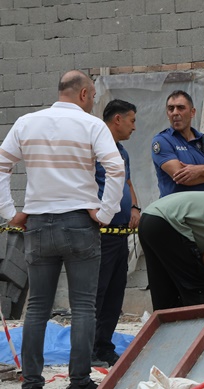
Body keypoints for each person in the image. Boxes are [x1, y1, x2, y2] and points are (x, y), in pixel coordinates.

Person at [0, 70, 125, 389]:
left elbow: (1, 163)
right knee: (83, 306)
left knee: (38, 306)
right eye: (94, 96)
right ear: (83, 94)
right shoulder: (92, 124)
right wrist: (106, 212)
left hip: (38, 225)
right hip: (80, 224)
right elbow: (116, 167)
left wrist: (10, 212)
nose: (94, 101)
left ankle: (31, 381)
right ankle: (80, 380)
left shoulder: (27, 123)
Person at [92, 99, 140, 367]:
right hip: (100, 234)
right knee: (97, 292)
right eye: (132, 120)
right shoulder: (94, 149)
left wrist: (134, 206)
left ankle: (105, 347)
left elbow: (128, 182)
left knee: (114, 293)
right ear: (118, 120)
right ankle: (89, 348)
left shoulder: (122, 152)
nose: (135, 127)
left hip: (121, 233)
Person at [151, 90, 204, 198]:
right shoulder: (162, 140)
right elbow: (181, 177)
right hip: (174, 210)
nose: (175, 112)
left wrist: (198, 170)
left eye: (181, 108)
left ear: (192, 112)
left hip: (202, 209)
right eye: (171, 109)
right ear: (167, 114)